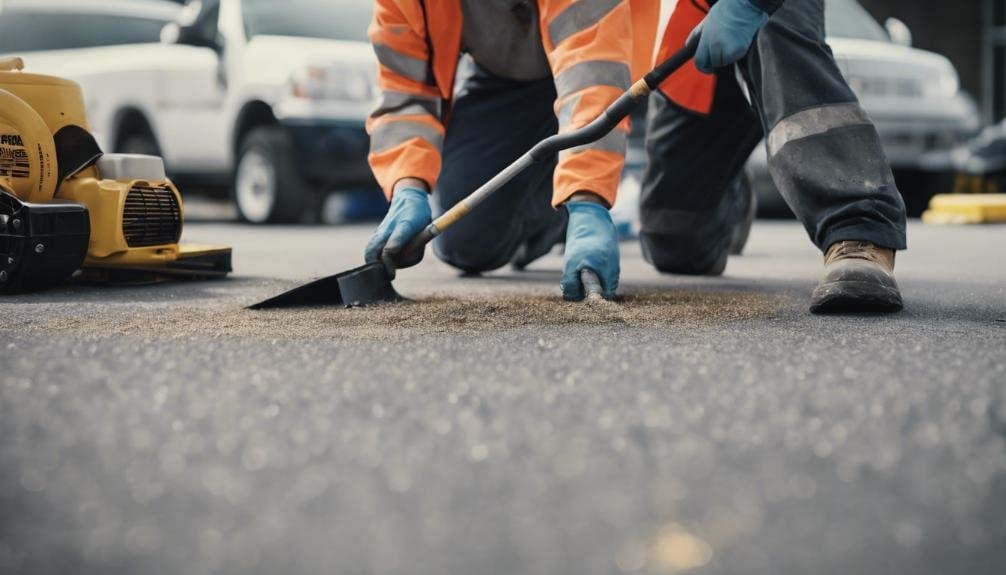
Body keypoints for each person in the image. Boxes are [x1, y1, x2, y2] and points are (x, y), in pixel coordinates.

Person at [364, 0, 658, 301]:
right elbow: (403, 93)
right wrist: (407, 186)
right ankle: (550, 225)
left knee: (671, 241)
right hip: (502, 81)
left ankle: (575, 208)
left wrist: (588, 200)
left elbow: (592, 77)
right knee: (464, 245)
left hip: (597, 64)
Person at [641, 0, 907, 313]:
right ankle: (731, 194)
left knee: (775, 27)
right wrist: (588, 197)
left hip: (769, 10)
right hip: (692, 31)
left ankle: (858, 229)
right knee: (672, 241)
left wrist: (749, 4)